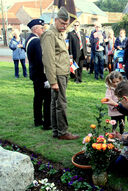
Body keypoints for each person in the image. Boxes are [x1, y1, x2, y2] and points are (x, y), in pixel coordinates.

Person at [41, 7, 79, 140]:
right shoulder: (50, 34)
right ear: (56, 20)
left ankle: (57, 131)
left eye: (66, 24)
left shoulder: (57, 33)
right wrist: (52, 81)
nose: (64, 26)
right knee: (61, 103)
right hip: (57, 74)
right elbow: (48, 59)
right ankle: (63, 132)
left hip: (62, 72)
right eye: (62, 23)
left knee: (56, 102)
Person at [25, 19, 51, 130]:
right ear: (35, 29)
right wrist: (46, 78)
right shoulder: (36, 41)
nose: (43, 30)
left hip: (35, 74)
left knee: (38, 98)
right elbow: (41, 61)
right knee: (45, 99)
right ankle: (45, 122)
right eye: (41, 28)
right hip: (40, 75)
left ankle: (38, 120)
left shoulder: (29, 39)